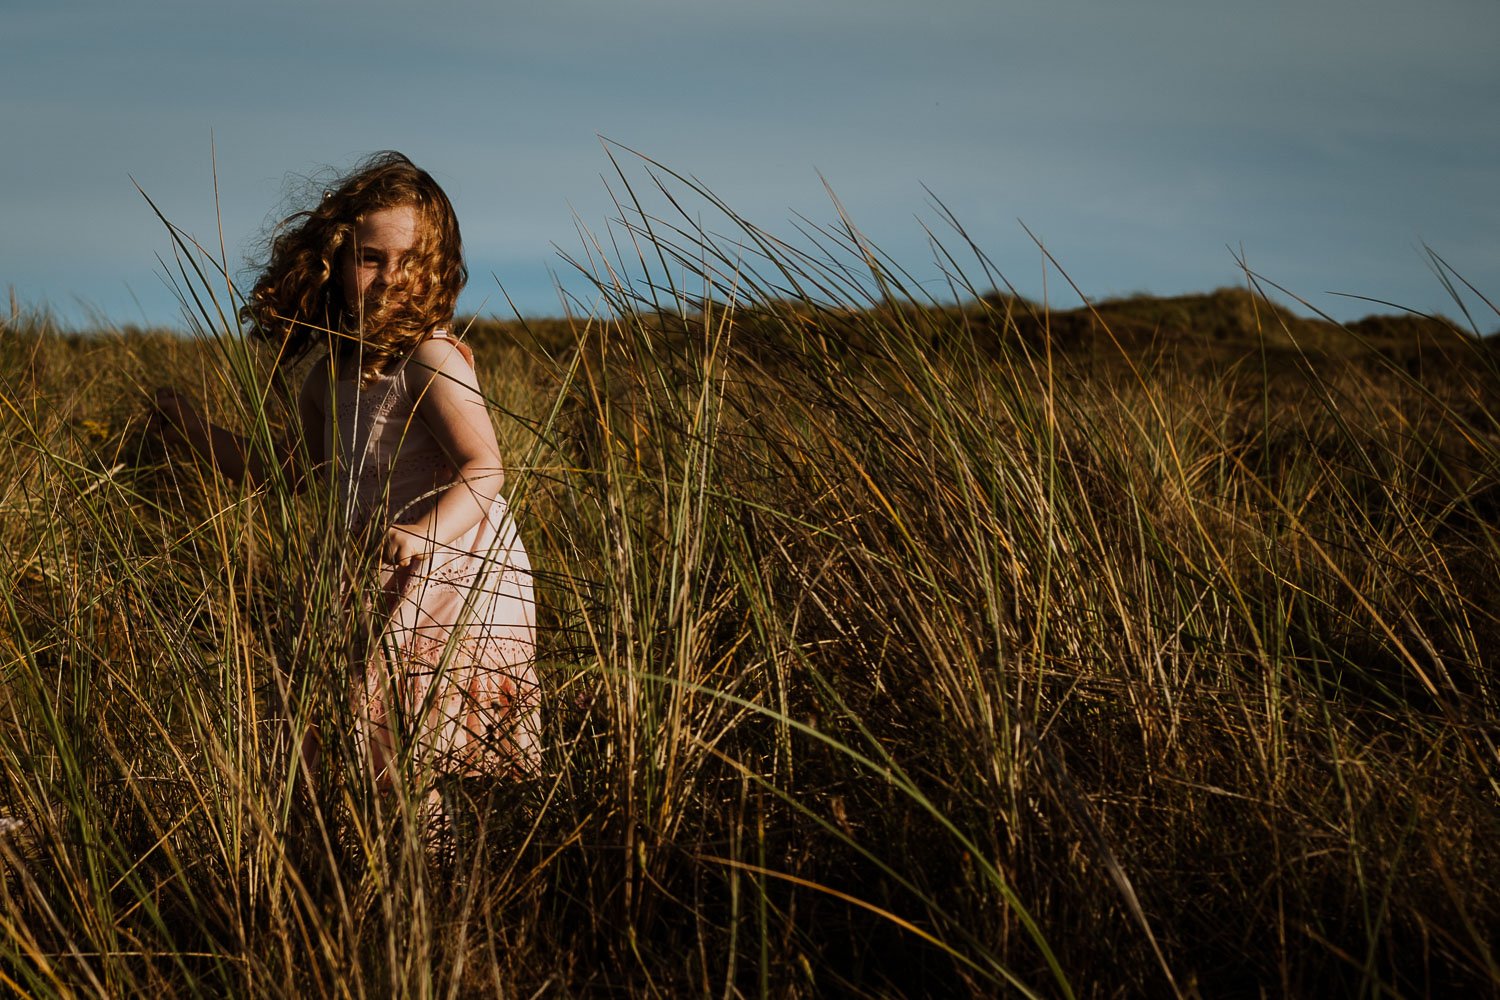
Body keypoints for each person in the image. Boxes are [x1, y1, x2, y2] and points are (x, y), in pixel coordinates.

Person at [154, 151, 538, 796]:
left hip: (453, 574)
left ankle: (439, 881)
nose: (391, 278)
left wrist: (423, 531)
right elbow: (293, 473)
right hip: (365, 570)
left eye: (411, 261)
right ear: (332, 265)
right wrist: (194, 431)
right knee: (365, 742)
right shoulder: (328, 375)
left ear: (438, 269)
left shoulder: (430, 357)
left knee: (428, 749)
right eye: (370, 258)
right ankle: (383, 877)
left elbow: (485, 468)